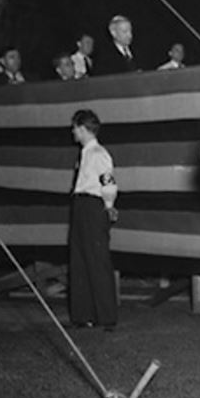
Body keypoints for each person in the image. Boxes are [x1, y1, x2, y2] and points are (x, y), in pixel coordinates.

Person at [68, 109, 119, 331]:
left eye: (74, 128)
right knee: (79, 260)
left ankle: (106, 317)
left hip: (93, 206)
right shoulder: (84, 154)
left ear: (82, 128)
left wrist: (109, 206)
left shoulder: (99, 154)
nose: (72, 132)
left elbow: (108, 183)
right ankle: (83, 315)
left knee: (97, 261)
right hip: (80, 205)